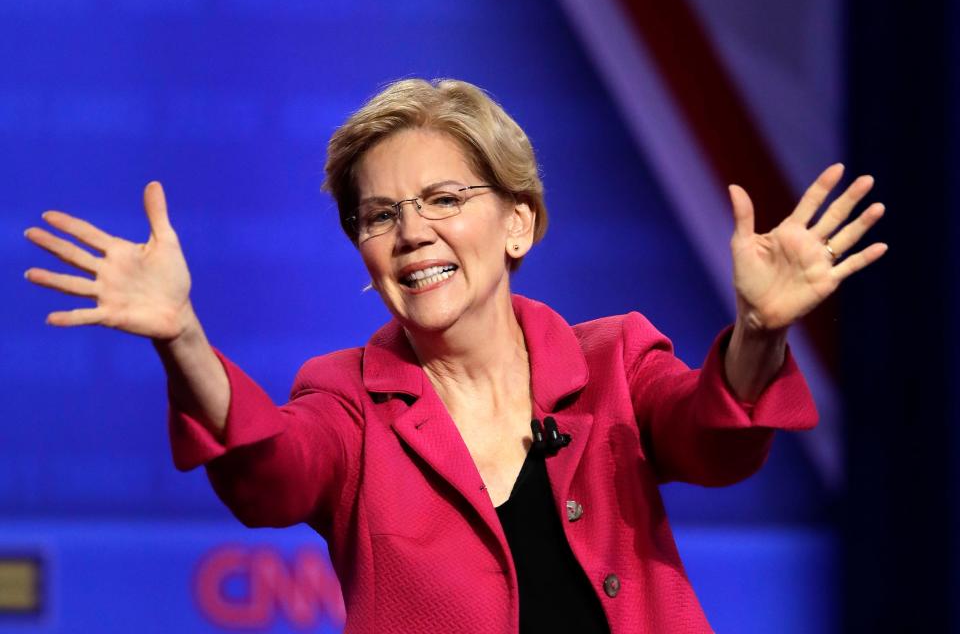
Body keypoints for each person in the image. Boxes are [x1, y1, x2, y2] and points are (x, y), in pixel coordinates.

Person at [24, 78, 887, 633]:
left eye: (443, 198)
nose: (411, 234)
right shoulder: (349, 401)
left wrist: (761, 329)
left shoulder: (613, 361)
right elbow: (270, 471)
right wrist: (183, 337)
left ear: (519, 223)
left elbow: (716, 438)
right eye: (379, 215)